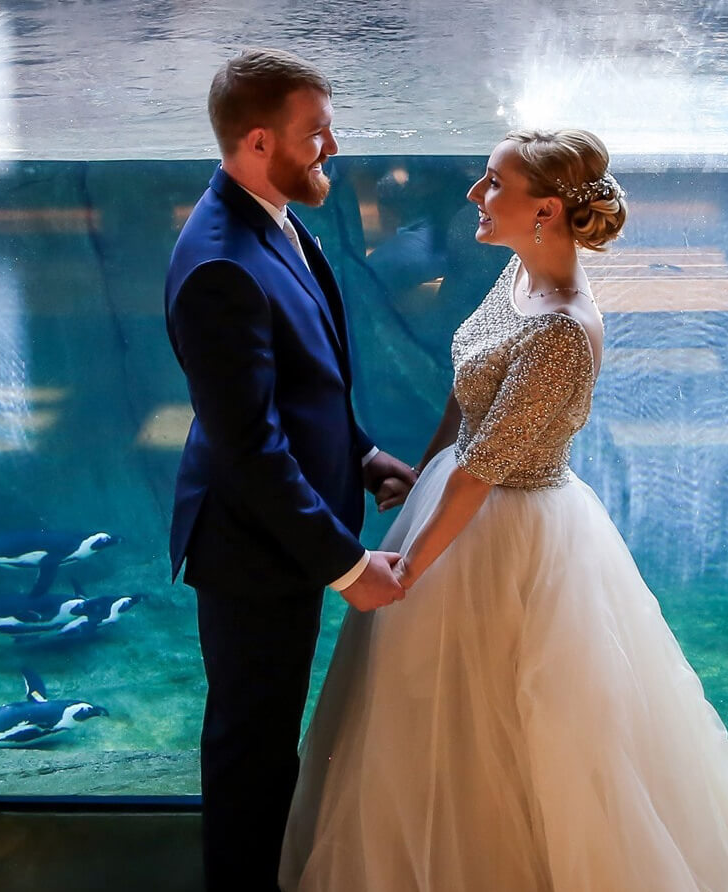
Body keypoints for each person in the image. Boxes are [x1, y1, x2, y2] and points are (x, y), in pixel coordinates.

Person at [279, 129, 728, 891]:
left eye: (491, 184)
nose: (475, 196)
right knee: (439, 719)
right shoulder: (519, 275)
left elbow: (486, 472)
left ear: (545, 210)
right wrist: (419, 480)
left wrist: (409, 568)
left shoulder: (563, 332)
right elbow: (468, 390)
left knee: (528, 718)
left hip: (510, 530)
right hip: (456, 497)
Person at [164, 48, 419, 892]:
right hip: (250, 552)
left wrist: (363, 453)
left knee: (267, 739)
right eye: (317, 132)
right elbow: (251, 450)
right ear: (262, 141)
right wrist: (348, 568)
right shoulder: (219, 263)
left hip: (281, 537)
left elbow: (302, 386)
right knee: (252, 748)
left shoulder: (271, 215)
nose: (332, 146)